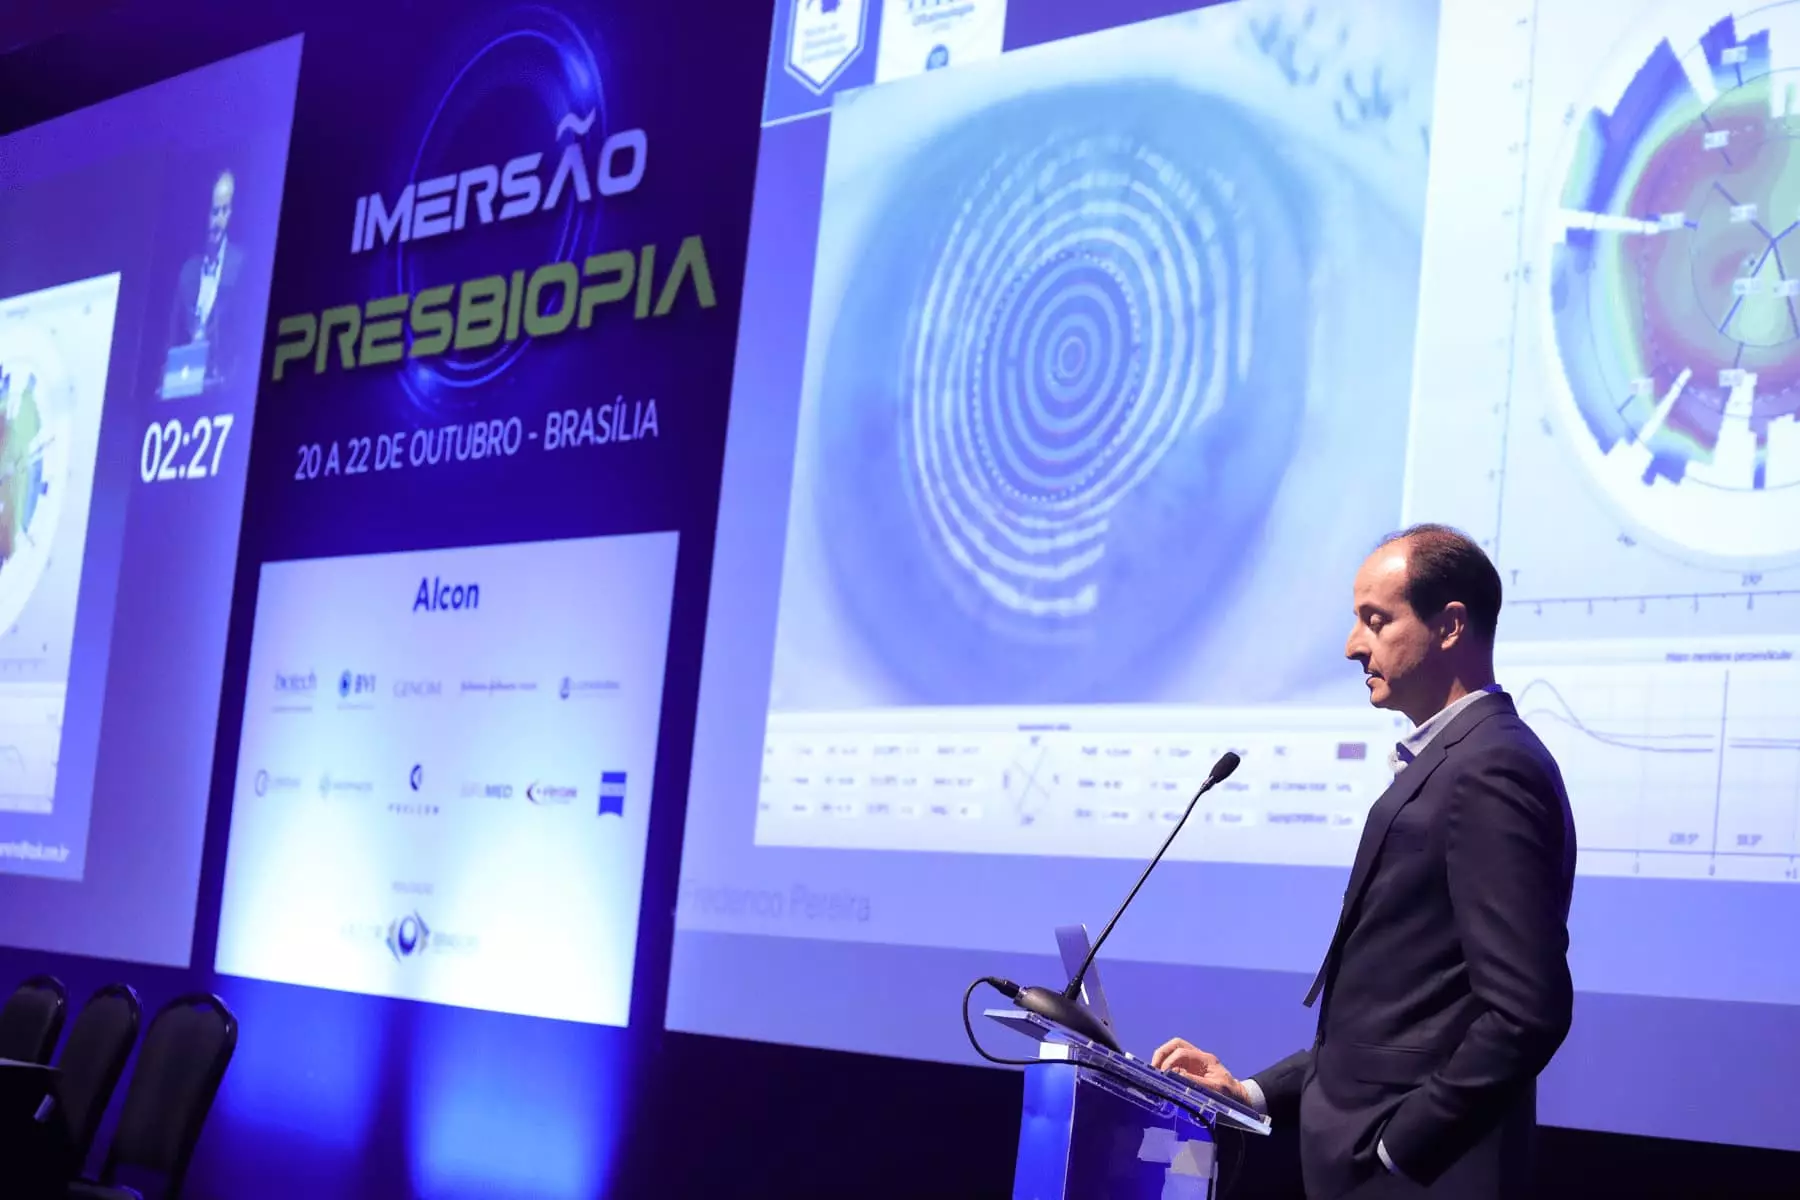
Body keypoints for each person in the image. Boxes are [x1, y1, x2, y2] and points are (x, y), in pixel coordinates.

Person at [1154, 524, 1575, 1199]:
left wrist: (1400, 1150)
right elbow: (1403, 1020)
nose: (1353, 645)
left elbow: (1528, 1011)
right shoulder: (1454, 762)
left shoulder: (1491, 768)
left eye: (1376, 621)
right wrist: (1252, 1092)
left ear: (1450, 626)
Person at [167, 169, 243, 387]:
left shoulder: (241, 267)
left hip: (226, 389)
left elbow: (247, 339)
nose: (217, 222)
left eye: (224, 211)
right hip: (185, 384)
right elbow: (172, 340)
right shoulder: (187, 272)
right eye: (213, 212)